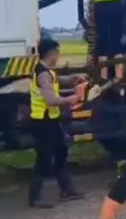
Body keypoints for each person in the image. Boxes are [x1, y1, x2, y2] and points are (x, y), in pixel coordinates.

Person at [28, 38, 87, 208]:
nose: (59, 56)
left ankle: (67, 189)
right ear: (51, 53)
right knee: (44, 159)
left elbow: (56, 81)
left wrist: (72, 78)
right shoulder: (43, 74)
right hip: (43, 121)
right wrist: (70, 99)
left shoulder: (46, 71)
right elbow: (51, 100)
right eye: (57, 52)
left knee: (61, 152)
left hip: (50, 120)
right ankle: (34, 197)